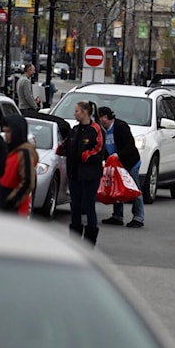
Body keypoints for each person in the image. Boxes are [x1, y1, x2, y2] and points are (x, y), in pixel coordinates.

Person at [57, 101, 104, 246]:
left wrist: (86, 156)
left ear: (84, 112)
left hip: (90, 175)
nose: (75, 114)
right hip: (75, 173)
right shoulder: (75, 129)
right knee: (75, 205)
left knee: (89, 206)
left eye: (77, 111)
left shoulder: (95, 129)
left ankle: (90, 239)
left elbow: (99, 149)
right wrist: (62, 149)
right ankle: (75, 239)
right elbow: (66, 145)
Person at [98, 106, 145, 228]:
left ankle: (138, 217)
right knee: (116, 189)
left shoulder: (120, 127)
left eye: (101, 117)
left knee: (134, 189)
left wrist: (118, 156)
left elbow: (130, 145)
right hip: (115, 164)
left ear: (105, 117)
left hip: (130, 163)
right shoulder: (103, 130)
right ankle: (117, 215)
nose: (100, 120)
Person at [0, 114, 39, 217]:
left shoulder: (24, 153)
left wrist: (10, 202)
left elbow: (28, 182)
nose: (5, 135)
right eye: (5, 131)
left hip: (14, 211)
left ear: (16, 132)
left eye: (8, 132)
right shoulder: (10, 150)